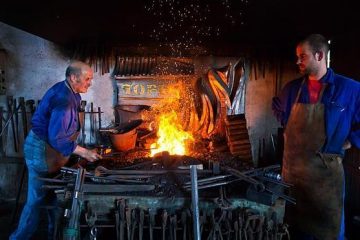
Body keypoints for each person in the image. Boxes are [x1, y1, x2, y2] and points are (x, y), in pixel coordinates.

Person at [272, 34, 360, 240]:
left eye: (302, 56)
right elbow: (276, 106)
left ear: (319, 55)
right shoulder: (292, 89)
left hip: (325, 180)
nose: (297, 61)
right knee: (294, 230)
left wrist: (349, 142)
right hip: (293, 179)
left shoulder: (350, 89)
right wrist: (287, 124)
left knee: (328, 232)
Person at [10, 61, 102, 240]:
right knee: (35, 201)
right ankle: (18, 238)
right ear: (73, 77)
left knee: (54, 197)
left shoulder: (71, 92)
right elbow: (57, 138)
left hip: (53, 152)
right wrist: (84, 152)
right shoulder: (64, 101)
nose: (90, 83)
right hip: (42, 151)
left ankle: (54, 233)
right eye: (87, 79)